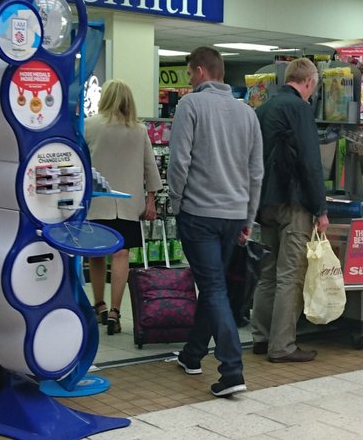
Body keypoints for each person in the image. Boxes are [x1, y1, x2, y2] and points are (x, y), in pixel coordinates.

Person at [168, 46, 263, 397]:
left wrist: (177, 203)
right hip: (234, 214)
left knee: (212, 288)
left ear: (200, 71)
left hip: (199, 214)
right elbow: (256, 172)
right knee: (214, 286)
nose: (190, 80)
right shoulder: (247, 113)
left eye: (190, 74)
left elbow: (179, 161)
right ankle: (192, 354)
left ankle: (232, 370)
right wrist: (249, 217)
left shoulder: (190, 105)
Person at [250, 57, 329, 363]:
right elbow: (310, 161)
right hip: (293, 202)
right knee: (290, 275)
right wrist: (320, 207)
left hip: (265, 201)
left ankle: (261, 337)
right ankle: (282, 346)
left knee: (268, 273)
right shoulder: (300, 109)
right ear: (309, 82)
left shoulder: (262, 108)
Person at [85, 79, 160, 335]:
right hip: (127, 203)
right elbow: (150, 167)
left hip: (97, 202)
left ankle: (99, 305)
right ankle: (115, 312)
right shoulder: (138, 130)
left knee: (96, 255)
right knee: (121, 255)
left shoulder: (89, 126)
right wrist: (151, 199)